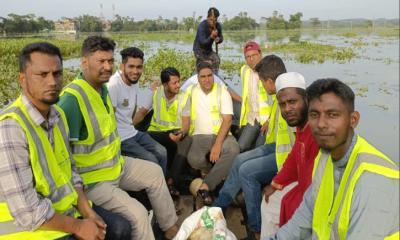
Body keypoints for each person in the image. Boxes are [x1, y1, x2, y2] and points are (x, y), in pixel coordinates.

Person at [0, 42, 131, 240]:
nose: (52, 82)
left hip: (65, 210)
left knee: (120, 228)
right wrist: (79, 227)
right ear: (22, 79)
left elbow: (70, 171)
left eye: (57, 73)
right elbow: (28, 213)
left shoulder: (57, 116)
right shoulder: (11, 128)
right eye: (42, 75)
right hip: (33, 230)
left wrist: (88, 212)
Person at [58, 36, 179, 240]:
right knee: (139, 214)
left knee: (155, 172)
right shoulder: (72, 100)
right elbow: (61, 155)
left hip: (116, 165)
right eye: (101, 61)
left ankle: (170, 228)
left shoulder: (102, 89)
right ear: (84, 62)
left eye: (110, 61)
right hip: (94, 181)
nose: (107, 67)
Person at [267, 79, 399, 239]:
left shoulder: (372, 181)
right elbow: (301, 222)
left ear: (353, 120)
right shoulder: (325, 159)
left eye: (333, 115)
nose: (321, 124)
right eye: (314, 115)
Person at [213, 55, 294, 239]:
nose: (263, 87)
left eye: (263, 82)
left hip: (285, 156)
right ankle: (220, 204)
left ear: (270, 81)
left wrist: (280, 179)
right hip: (275, 147)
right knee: (239, 159)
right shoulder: (280, 95)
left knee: (247, 172)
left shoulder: (289, 100)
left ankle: (255, 228)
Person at [260, 72, 319, 238]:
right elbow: (294, 158)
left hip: (315, 196)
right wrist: (276, 182)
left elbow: (313, 185)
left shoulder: (318, 130)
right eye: (282, 104)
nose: (287, 109)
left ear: (306, 99)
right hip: (304, 186)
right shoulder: (302, 126)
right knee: (269, 202)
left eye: (292, 102)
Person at [184, 61, 240, 205]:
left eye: (210, 75)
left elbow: (227, 120)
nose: (207, 79)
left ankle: (206, 185)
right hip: (200, 135)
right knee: (193, 159)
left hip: (222, 134)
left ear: (214, 76)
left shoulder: (222, 91)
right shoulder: (190, 91)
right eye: (203, 76)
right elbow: (174, 97)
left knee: (233, 150)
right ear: (197, 78)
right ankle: (217, 175)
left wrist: (217, 145)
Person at [107, 47, 168, 174]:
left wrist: (151, 92)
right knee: (151, 160)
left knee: (162, 152)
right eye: (131, 66)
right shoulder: (113, 85)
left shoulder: (134, 81)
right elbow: (109, 119)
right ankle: (148, 191)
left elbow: (134, 114)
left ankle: (161, 187)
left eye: (139, 67)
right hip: (121, 138)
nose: (135, 71)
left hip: (132, 132)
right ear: (122, 66)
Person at [147, 67, 193, 197]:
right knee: (143, 138)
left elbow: (185, 124)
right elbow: (142, 111)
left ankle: (171, 183)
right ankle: (158, 182)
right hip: (156, 132)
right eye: (175, 83)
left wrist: (181, 134)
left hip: (175, 133)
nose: (179, 85)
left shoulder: (184, 96)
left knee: (187, 140)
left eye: (179, 81)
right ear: (165, 85)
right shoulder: (155, 92)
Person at [238, 41, 274, 152]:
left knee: (259, 149)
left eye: (254, 55)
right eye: (248, 57)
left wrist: (270, 121)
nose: (251, 59)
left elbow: (277, 99)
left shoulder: (269, 71)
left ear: (260, 54)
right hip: (252, 117)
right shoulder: (244, 70)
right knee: (241, 146)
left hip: (266, 119)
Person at [193, 7, 223, 72]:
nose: (213, 22)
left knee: (216, 59)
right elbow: (202, 43)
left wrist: (218, 39)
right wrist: (211, 37)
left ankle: (215, 76)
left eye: (215, 20)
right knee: (205, 64)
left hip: (208, 50)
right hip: (199, 50)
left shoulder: (218, 26)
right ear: (207, 18)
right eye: (211, 20)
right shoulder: (202, 26)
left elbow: (221, 38)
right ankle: (198, 75)